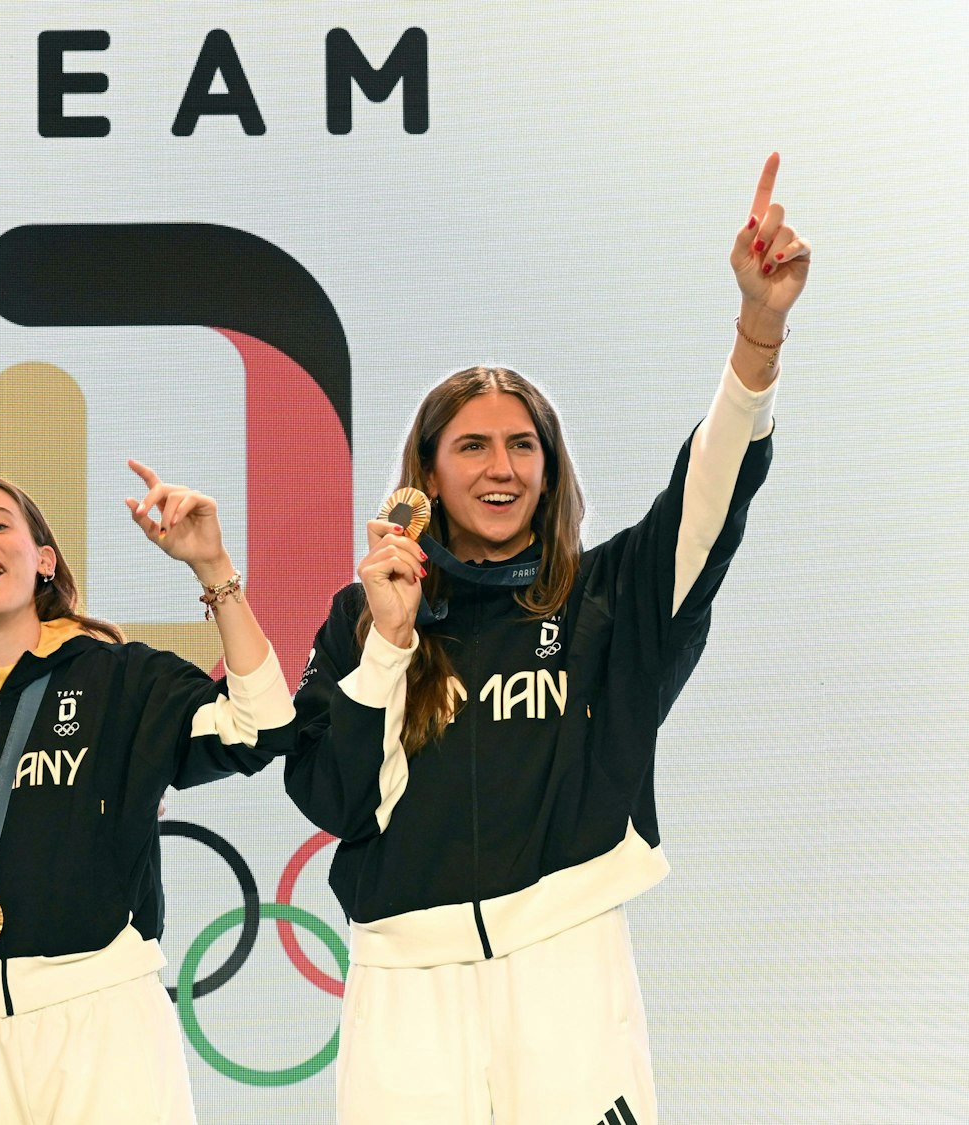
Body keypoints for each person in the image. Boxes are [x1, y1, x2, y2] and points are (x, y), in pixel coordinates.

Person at [284, 154, 811, 1124]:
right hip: (405, 985)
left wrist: (757, 331)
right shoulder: (363, 615)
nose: (501, 467)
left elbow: (711, 491)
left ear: (549, 466)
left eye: (521, 445)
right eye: (472, 446)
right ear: (428, 475)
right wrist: (388, 646)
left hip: (567, 965)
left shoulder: (611, 598)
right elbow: (329, 796)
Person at [0, 464, 295, 1123]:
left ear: (44, 559)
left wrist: (213, 569)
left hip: (104, 1018)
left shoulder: (120, 678)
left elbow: (262, 726)